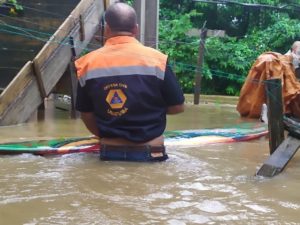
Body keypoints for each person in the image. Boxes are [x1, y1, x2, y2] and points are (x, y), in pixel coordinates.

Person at [75, 2, 185, 162]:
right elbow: (178, 107)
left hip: (109, 153)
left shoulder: (86, 64)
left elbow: (86, 114)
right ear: (136, 29)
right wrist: (148, 109)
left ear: (106, 29)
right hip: (152, 152)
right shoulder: (157, 60)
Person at [237, 41, 300, 119]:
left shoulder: (290, 65)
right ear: (293, 50)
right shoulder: (274, 61)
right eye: (299, 53)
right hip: (262, 99)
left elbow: (293, 89)